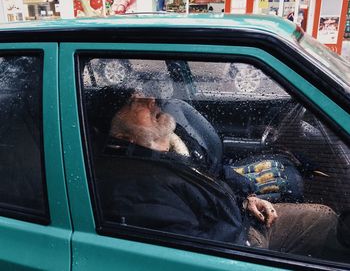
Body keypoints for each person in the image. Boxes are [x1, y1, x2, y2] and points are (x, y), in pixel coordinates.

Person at [100, 88, 343, 259]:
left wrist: (246, 198)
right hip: (238, 246)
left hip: (240, 219)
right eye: (135, 102)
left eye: (143, 94)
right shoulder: (137, 186)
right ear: (122, 136)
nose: (150, 99)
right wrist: (246, 249)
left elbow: (215, 173)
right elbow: (193, 249)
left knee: (325, 218)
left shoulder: (176, 145)